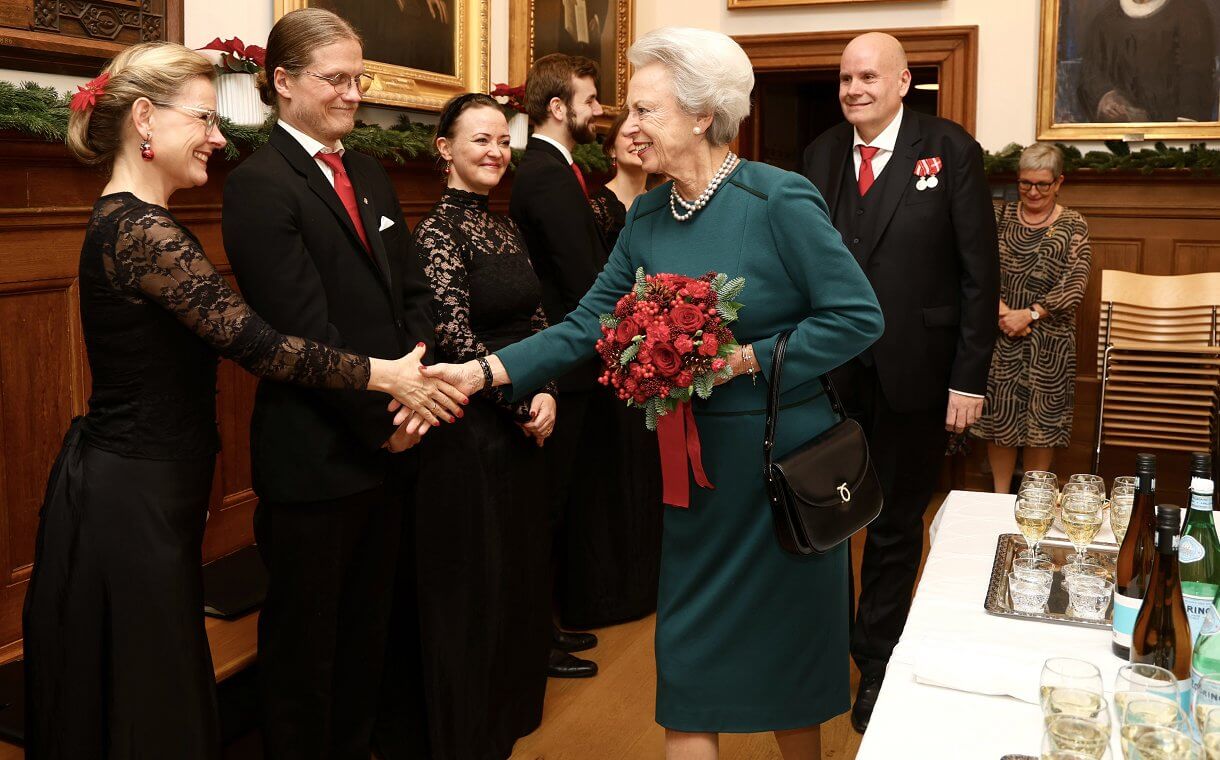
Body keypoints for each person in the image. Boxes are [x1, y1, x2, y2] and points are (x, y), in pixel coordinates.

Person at [420, 26, 885, 760]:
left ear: (703, 115)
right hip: (691, 475)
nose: (625, 125)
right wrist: (483, 374)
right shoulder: (645, 216)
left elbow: (858, 318)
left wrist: (743, 361)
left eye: (645, 110)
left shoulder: (778, 198)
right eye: (628, 110)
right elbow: (584, 327)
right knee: (689, 658)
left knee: (789, 654)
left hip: (779, 465)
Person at [23, 40, 458, 759]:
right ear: (144, 120)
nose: (220, 137)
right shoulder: (139, 228)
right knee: (148, 687)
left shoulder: (145, 222)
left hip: (155, 483)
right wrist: (388, 377)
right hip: (132, 489)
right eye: (204, 118)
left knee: (147, 679)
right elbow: (257, 343)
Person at [221, 9, 448, 757]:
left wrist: (415, 391)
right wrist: (389, 418)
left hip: (392, 438)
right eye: (337, 79)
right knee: (306, 655)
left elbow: (410, 292)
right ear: (283, 82)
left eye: (360, 78)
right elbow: (302, 330)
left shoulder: (369, 169)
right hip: (317, 454)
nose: (355, 94)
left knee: (366, 641)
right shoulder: (260, 185)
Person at [801, 32, 999, 733]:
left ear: (904, 81)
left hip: (918, 374)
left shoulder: (950, 149)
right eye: (845, 79)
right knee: (823, 519)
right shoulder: (821, 155)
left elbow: (981, 275)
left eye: (868, 77)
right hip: (829, 375)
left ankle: (877, 661)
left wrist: (968, 379)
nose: (854, 89)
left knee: (893, 523)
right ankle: (820, 655)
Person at [399, 92, 558, 760]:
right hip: (472, 433)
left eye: (502, 141)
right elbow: (456, 340)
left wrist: (548, 385)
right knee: (480, 583)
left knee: (520, 575)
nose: (495, 153)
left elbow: (538, 317)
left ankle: (512, 710)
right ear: (446, 150)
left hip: (523, 420)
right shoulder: (438, 233)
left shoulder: (505, 224)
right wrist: (522, 404)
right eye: (480, 141)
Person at [512, 52, 606, 675]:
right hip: (560, 362)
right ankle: (533, 640)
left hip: (570, 360)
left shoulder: (564, 169)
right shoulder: (546, 174)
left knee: (560, 502)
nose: (599, 110)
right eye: (591, 99)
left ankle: (549, 624)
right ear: (558, 107)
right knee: (542, 507)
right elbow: (581, 274)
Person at [971, 144, 1091, 493]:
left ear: (1058, 182)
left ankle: (1035, 495)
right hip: (1000, 336)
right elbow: (974, 266)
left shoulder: (1074, 224)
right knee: (1000, 421)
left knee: (1044, 424)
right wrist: (1002, 311)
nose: (1033, 192)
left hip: (1049, 343)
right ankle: (999, 495)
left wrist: (1030, 314)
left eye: (1042, 184)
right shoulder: (998, 217)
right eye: (1025, 184)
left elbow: (1076, 282)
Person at [1077, 0, 1217, 123]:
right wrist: (1105, 96)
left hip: (1169, 128)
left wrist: (1181, 129)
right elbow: (1092, 69)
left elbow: (1196, 75)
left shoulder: (1190, 10)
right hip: (1120, 130)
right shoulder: (1106, 17)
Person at [590, 108, 649, 247]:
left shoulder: (661, 203)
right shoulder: (597, 207)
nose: (638, 141)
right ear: (612, 150)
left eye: (645, 135)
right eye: (630, 135)